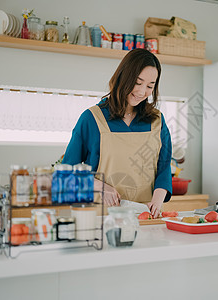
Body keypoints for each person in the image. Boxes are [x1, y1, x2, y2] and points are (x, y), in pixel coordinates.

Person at [62, 48, 172, 218]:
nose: (143, 92)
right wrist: (100, 187)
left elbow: (164, 168)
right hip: (101, 218)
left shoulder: (157, 120)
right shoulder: (92, 118)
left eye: (150, 86)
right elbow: (67, 173)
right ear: (123, 77)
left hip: (144, 216)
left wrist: (157, 202)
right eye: (137, 82)